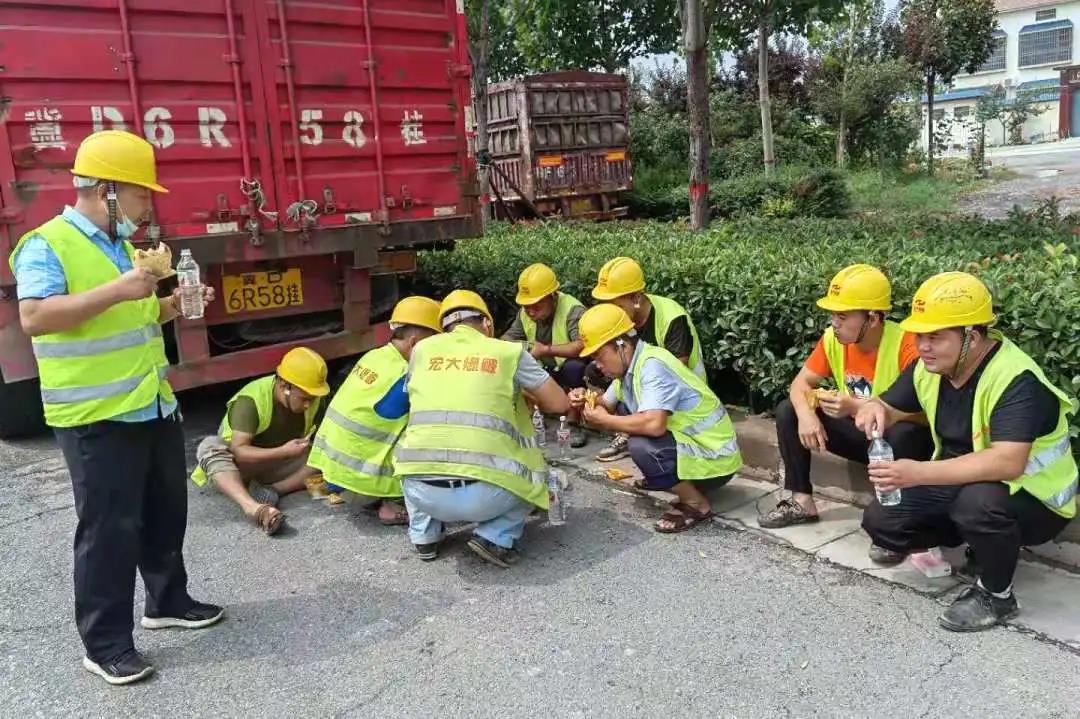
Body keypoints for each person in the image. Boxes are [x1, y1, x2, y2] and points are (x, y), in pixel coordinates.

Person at [9, 130, 222, 685]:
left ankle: (167, 602)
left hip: (149, 404)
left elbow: (134, 319)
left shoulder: (122, 250)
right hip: (93, 417)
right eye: (140, 195)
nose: (147, 207)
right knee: (108, 529)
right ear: (105, 191)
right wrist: (123, 291)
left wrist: (174, 304)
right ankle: (104, 643)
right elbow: (35, 316)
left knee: (163, 512)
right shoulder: (46, 244)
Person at [855, 272, 1077, 632]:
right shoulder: (931, 367)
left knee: (977, 505)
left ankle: (997, 594)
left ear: (971, 337)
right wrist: (875, 409)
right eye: (920, 336)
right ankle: (978, 541)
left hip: (1036, 499)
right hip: (965, 481)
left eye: (935, 337)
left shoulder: (1016, 380)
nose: (922, 345)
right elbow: (889, 403)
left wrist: (915, 473)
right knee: (882, 520)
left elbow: (1008, 461)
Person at [394, 289, 570, 567]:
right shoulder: (508, 352)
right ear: (487, 324)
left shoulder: (421, 351)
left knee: (420, 445)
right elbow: (559, 403)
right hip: (484, 496)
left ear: (446, 327)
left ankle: (424, 536)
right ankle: (495, 537)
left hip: (420, 491)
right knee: (536, 474)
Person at [761, 264, 933, 542]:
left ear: (873, 318)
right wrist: (807, 416)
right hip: (859, 437)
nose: (834, 323)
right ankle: (801, 501)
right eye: (833, 315)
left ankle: (897, 523)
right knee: (789, 410)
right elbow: (799, 385)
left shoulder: (908, 345)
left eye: (842, 316)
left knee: (905, 433)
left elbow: (927, 416)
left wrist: (856, 406)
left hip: (897, 445)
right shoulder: (834, 339)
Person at [572, 304, 742, 533]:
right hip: (701, 453)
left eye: (599, 356)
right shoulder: (630, 368)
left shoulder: (652, 366)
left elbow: (654, 425)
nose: (597, 366)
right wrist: (584, 398)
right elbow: (606, 403)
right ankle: (675, 479)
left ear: (621, 345)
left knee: (642, 444)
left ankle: (695, 503)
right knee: (629, 418)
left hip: (717, 458)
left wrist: (604, 421)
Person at [306, 297, 442, 525]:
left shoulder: (375, 356)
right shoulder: (407, 375)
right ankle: (392, 503)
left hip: (333, 472)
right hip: (363, 480)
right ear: (415, 342)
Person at [192, 347, 330, 535]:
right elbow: (239, 451)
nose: (309, 404)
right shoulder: (251, 400)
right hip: (239, 468)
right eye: (305, 398)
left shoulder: (315, 401)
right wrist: (284, 452)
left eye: (313, 399)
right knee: (209, 446)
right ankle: (254, 508)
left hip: (279, 467)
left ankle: (273, 491)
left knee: (324, 451)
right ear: (284, 385)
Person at [589, 257, 705, 463]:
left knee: (643, 437)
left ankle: (637, 433)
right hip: (646, 388)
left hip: (681, 396)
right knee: (595, 370)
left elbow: (674, 374)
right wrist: (598, 401)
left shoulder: (671, 317)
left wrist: (608, 418)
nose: (609, 310)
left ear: (636, 297)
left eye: (614, 304)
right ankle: (631, 430)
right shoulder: (623, 321)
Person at [502, 263, 587, 447]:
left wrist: (546, 350)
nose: (531, 312)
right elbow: (507, 338)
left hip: (567, 368)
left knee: (575, 367)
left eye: (536, 307)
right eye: (526, 308)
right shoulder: (525, 313)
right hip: (544, 369)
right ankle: (533, 416)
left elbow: (582, 345)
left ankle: (572, 422)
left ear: (552, 297)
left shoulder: (573, 310)